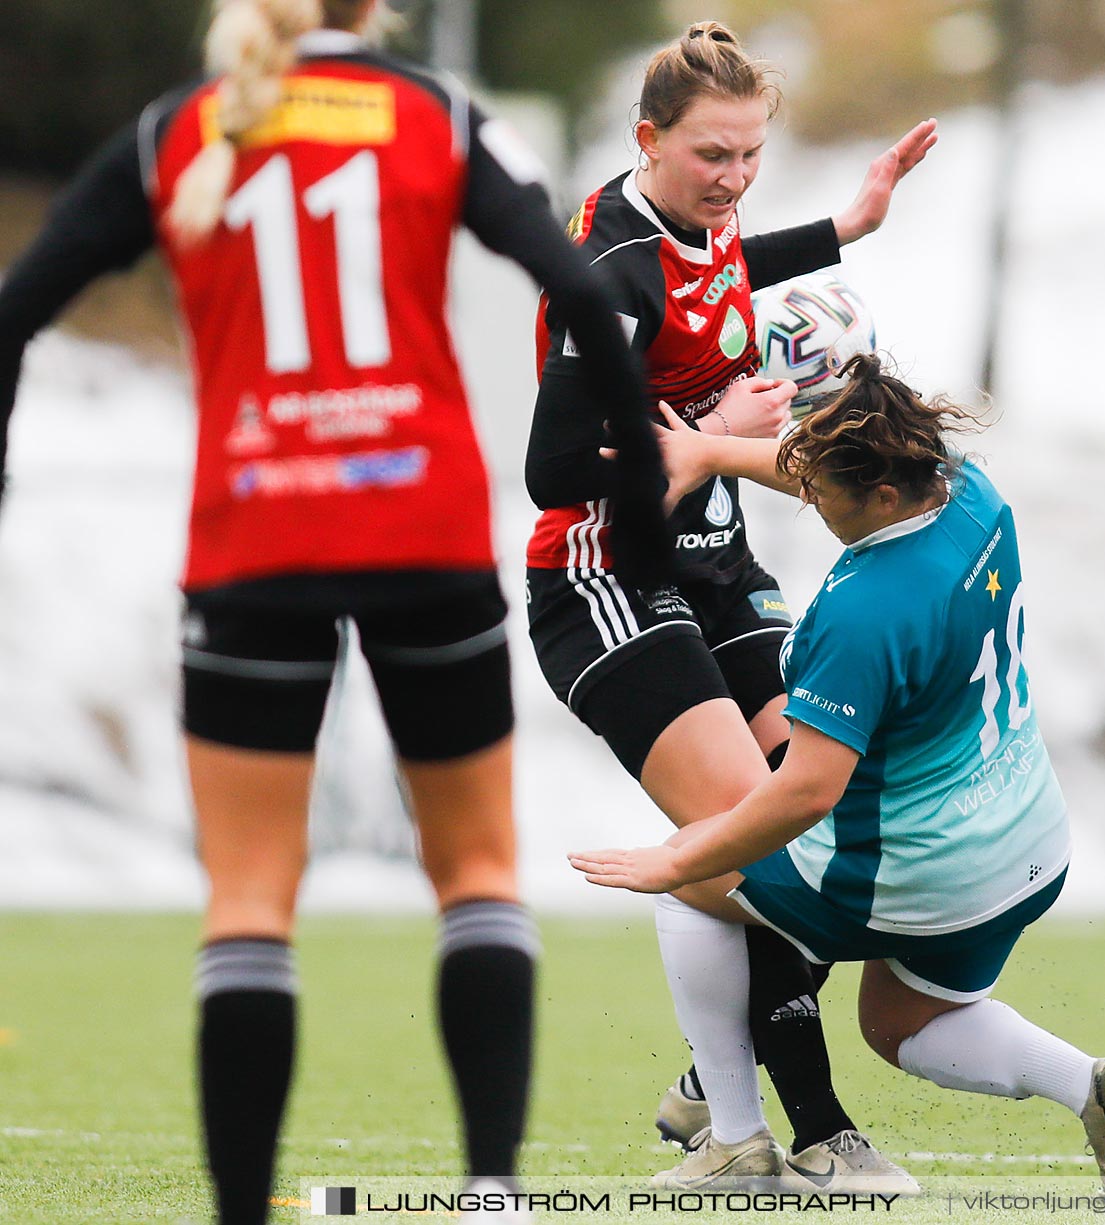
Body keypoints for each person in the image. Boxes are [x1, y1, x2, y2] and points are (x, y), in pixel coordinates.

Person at [0, 1, 669, 1221]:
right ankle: (491, 1194)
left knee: (251, 895)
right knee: (474, 871)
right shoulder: (432, 115)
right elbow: (584, 291)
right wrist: (644, 508)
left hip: (256, 538)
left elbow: (14, 313)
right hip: (421, 526)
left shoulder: (182, 129)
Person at [569, 355, 1105, 1195]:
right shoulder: (968, 491)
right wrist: (708, 454)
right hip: (1024, 842)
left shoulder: (865, 611)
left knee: (693, 881)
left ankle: (734, 1142)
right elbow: (822, 469)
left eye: (825, 493)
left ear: (882, 496)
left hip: (919, 868)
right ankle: (1093, 1085)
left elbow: (806, 792)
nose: (808, 498)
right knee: (898, 1021)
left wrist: (681, 858)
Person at [521, 20, 935, 1188]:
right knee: (758, 856)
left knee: (855, 825)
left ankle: (714, 1081)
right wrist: (709, 439)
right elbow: (552, 470)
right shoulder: (608, 275)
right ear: (647, 140)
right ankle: (802, 1135)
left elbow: (725, 267)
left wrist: (846, 227)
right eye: (714, 156)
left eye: (753, 155)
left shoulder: (702, 224)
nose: (736, 181)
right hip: (610, 579)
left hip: (717, 570)